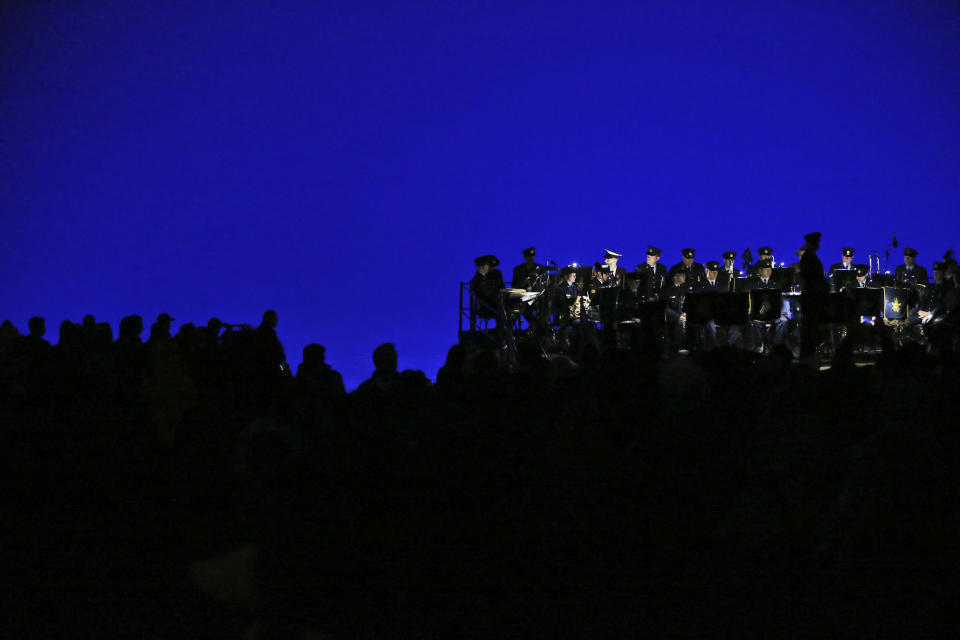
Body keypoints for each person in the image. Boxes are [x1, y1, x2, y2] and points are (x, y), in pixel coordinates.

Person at [799, 232, 829, 360]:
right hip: (813, 296)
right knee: (810, 330)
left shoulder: (809, 256)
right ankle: (807, 358)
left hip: (812, 295)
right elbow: (814, 278)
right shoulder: (810, 257)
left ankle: (808, 356)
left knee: (811, 330)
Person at [470, 255, 506, 322]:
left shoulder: (497, 273)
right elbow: (487, 293)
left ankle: (503, 329)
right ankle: (503, 330)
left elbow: (501, 286)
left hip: (496, 302)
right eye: (487, 266)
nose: (489, 268)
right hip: (488, 305)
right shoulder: (479, 279)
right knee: (505, 311)